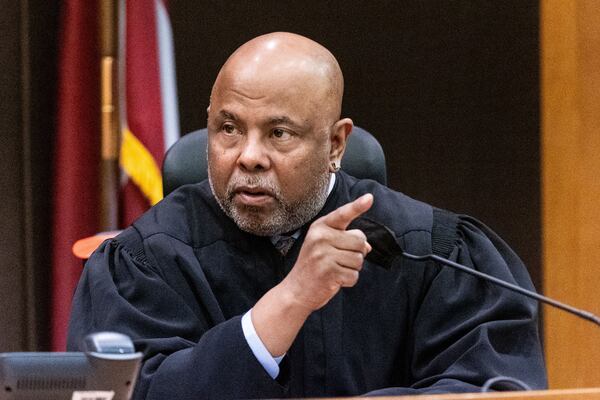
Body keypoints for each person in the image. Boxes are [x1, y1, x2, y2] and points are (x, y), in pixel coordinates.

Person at [67, 32, 547, 399]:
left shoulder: (431, 252)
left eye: (279, 133)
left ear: (336, 142)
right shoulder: (145, 260)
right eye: (229, 128)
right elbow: (127, 392)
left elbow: (495, 387)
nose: (248, 156)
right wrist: (292, 298)